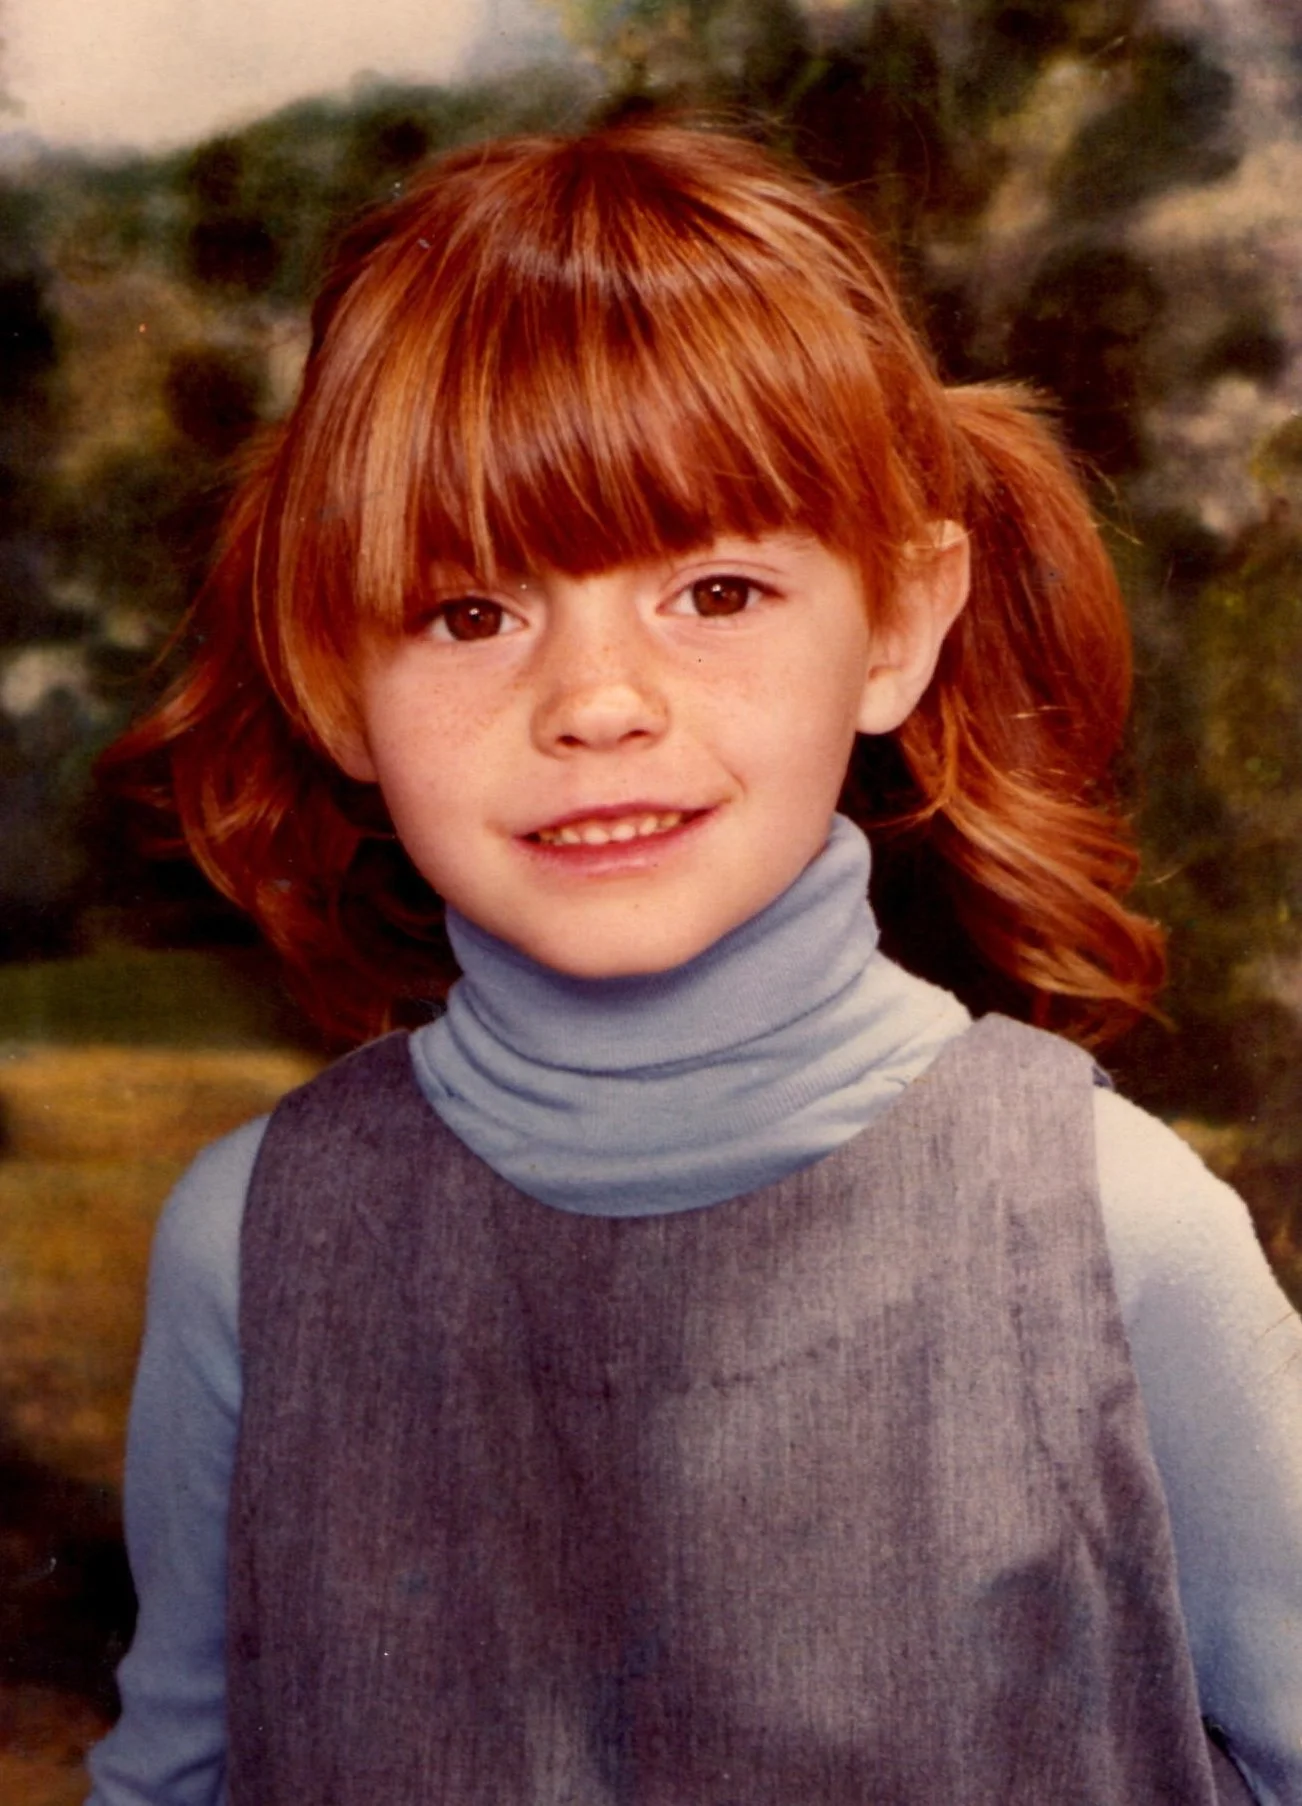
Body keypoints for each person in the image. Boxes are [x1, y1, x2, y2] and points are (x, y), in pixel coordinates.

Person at [87, 121, 1301, 1805]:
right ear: (326, 667)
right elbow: (177, 1773)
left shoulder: (1108, 1222)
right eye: (468, 611)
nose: (596, 700)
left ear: (895, 621)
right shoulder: (252, 1243)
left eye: (715, 589)